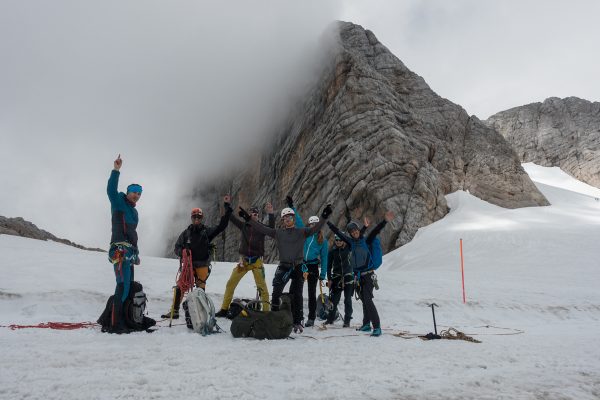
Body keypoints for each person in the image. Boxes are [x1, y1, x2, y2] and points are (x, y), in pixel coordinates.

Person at [238, 200, 332, 333]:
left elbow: (315, 228)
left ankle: (298, 321)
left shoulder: (302, 232)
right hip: (284, 266)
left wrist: (324, 216)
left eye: (290, 217)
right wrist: (248, 219)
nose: (287, 219)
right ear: (282, 220)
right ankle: (275, 316)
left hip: (298, 266)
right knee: (276, 292)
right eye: (285, 218)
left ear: (293, 219)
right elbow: (261, 228)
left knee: (298, 294)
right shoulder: (278, 233)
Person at [160, 196, 233, 319]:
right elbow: (177, 247)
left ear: (202, 217)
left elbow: (222, 226)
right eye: (195, 216)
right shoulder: (186, 233)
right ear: (191, 218)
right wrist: (183, 252)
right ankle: (175, 311)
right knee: (180, 287)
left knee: (200, 289)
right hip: (189, 266)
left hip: (202, 265)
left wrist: (227, 207)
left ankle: (200, 312)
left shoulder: (206, 232)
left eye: (199, 217)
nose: (196, 219)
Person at [327, 211, 394, 337]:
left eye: (356, 231)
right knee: (364, 300)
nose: (354, 233)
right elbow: (338, 233)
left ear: (358, 230)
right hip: (358, 276)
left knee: (368, 300)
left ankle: (377, 327)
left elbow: (375, 231)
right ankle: (366, 324)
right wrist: (327, 222)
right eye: (352, 232)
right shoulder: (351, 243)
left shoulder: (367, 241)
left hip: (368, 276)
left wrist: (385, 221)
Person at [214, 202, 275, 317]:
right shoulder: (244, 226)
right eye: (253, 213)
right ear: (250, 215)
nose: (255, 215)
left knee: (262, 289)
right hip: (244, 261)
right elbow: (231, 218)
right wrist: (227, 205)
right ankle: (224, 309)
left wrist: (271, 214)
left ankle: (266, 312)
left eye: (256, 214)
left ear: (258, 216)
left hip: (257, 262)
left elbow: (272, 229)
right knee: (230, 284)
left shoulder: (262, 228)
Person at [106, 154, 142, 333]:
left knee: (129, 284)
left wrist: (136, 253)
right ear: (128, 192)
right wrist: (116, 170)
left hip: (130, 253)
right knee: (123, 284)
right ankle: (115, 323)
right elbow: (111, 190)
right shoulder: (118, 202)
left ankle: (126, 319)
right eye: (134, 191)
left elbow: (133, 234)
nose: (137, 195)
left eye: (139, 193)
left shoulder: (135, 214)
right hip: (119, 249)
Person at [290, 197, 328, 328]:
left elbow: (324, 258)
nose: (313, 226)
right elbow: (299, 221)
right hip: (302, 264)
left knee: (311, 293)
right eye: (311, 224)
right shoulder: (305, 233)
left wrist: (323, 273)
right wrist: (292, 207)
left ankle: (311, 317)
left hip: (312, 266)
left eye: (315, 224)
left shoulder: (323, 241)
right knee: (296, 289)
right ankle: (295, 314)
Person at [324, 232, 354, 327]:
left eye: (340, 240)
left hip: (348, 277)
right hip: (336, 278)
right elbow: (328, 266)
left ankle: (347, 320)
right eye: (336, 240)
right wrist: (329, 279)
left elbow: (352, 240)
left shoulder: (349, 248)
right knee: (334, 300)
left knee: (347, 300)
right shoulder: (332, 251)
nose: (338, 242)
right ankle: (330, 319)